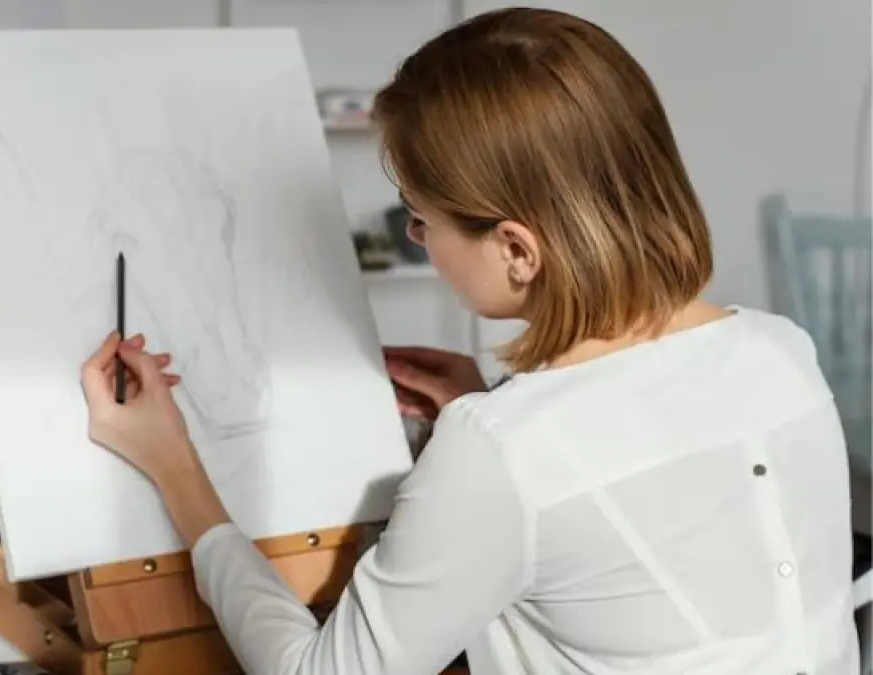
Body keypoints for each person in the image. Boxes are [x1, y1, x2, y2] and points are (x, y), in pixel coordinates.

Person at [79, 7, 859, 675]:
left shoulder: (501, 452)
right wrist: (486, 402)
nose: (417, 238)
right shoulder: (780, 352)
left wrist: (175, 467)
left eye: (419, 218)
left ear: (517, 249)